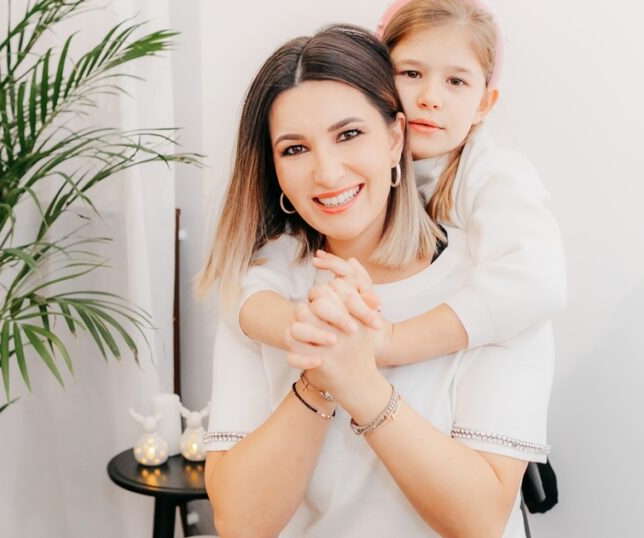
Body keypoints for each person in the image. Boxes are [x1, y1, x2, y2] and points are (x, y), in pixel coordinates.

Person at [197, 24, 552, 537]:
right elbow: (240, 524)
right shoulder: (261, 295)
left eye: (349, 135)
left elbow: (480, 521)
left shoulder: (492, 293)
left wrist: (359, 380)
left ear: (395, 138)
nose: (327, 173)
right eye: (294, 149)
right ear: (275, 170)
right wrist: (318, 377)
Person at [233, 0, 567, 375]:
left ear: (484, 103)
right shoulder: (329, 201)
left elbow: (535, 282)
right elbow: (250, 291)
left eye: (456, 81)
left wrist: (389, 342)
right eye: (410, 73)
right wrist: (316, 331)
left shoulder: (494, 176)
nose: (430, 98)